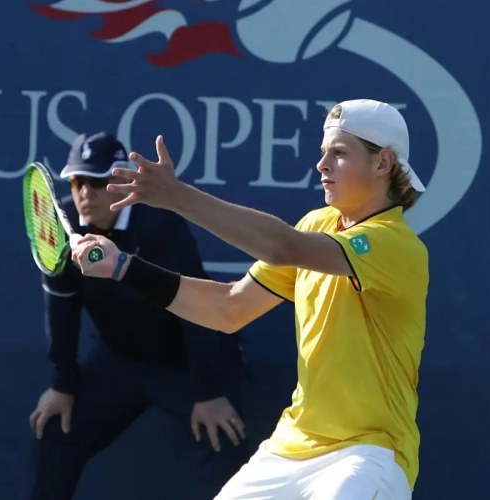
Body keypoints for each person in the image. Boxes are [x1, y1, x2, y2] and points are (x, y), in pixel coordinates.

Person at [70, 100, 429, 500]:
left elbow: (281, 247)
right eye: (324, 151)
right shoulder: (317, 224)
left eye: (339, 154)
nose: (322, 165)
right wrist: (123, 267)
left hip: (368, 454)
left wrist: (175, 196)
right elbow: (228, 308)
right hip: (290, 449)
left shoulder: (395, 245)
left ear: (383, 163)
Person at [26, 131, 251, 500]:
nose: (86, 192)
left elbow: (196, 312)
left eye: (98, 182)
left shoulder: (160, 225)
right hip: (118, 360)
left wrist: (209, 391)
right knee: (54, 429)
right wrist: (62, 383)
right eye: (78, 181)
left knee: (223, 436)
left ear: (120, 182)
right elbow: (62, 303)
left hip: (186, 360)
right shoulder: (63, 221)